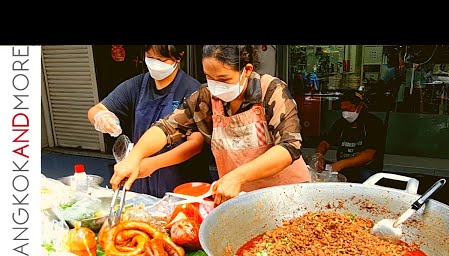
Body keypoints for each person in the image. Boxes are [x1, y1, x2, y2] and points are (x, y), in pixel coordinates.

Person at [110, 45, 312, 206]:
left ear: (247, 70)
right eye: (209, 77)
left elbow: (289, 146)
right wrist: (135, 158)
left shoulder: (270, 90)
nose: (216, 86)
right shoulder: (206, 97)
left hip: (287, 196)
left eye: (223, 79)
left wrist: (238, 176)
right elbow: (167, 127)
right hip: (240, 198)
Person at [87, 45, 212, 198]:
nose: (155, 64)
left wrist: (153, 164)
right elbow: (96, 109)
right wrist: (102, 117)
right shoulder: (137, 85)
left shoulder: (192, 89)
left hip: (179, 181)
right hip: (141, 176)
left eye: (161, 59)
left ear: (178, 57)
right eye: (150, 58)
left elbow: (195, 144)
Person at [314, 89, 385, 183]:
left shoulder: (374, 124)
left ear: (359, 107)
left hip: (366, 168)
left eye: (349, 109)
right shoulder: (340, 124)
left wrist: (341, 164)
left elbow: (369, 154)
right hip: (343, 167)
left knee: (365, 176)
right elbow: (325, 142)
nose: (345, 113)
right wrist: (319, 155)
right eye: (343, 110)